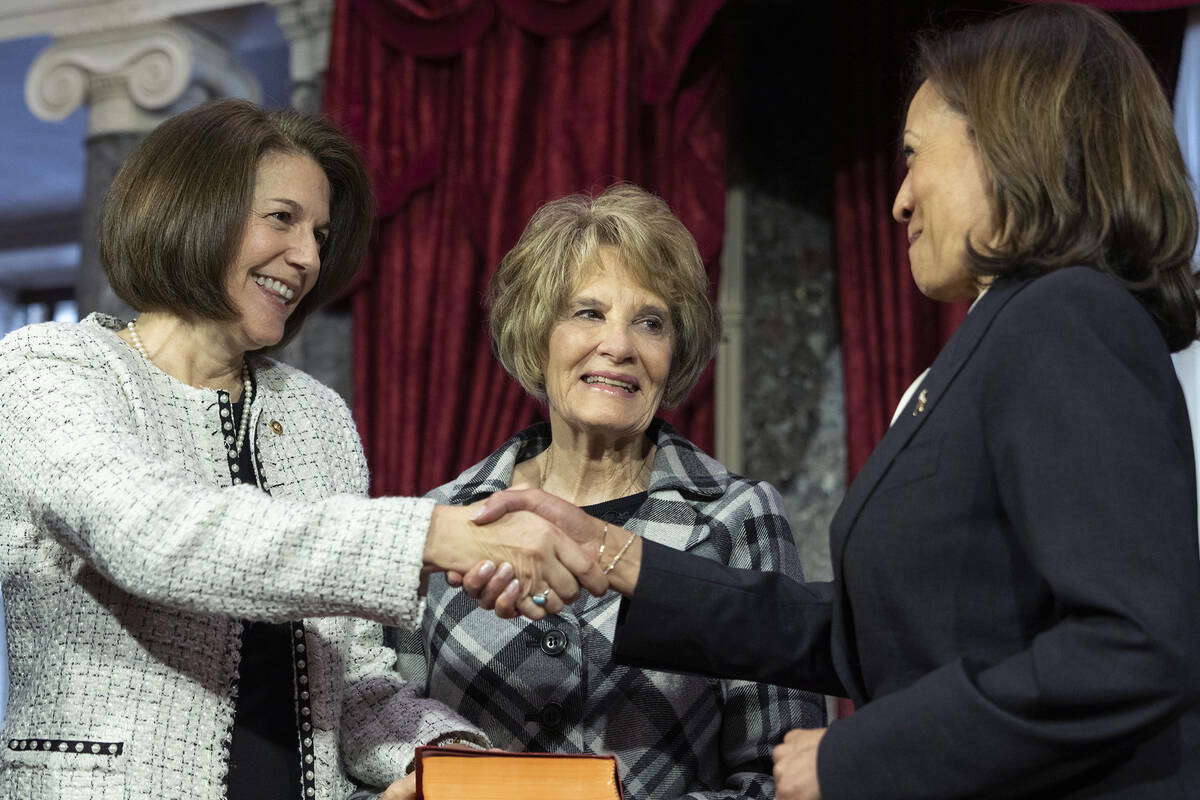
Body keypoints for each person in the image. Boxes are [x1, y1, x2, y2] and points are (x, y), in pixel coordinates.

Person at [465, 5, 1200, 798]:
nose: (900, 200)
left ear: (1010, 146)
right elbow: (862, 630)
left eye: (916, 156)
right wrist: (621, 559)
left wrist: (858, 757)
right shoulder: (1005, 337)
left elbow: (1133, 644)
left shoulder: (1065, 318)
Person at [0, 99, 605, 800]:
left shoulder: (316, 417)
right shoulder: (47, 370)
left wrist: (458, 767)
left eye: (319, 233)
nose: (309, 257)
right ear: (191, 207)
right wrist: (432, 536)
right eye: (281, 218)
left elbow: (353, 681)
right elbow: (154, 536)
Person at [387, 184, 825, 800]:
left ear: (675, 353)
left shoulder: (736, 517)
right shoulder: (443, 517)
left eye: (650, 323)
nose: (619, 347)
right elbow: (384, 739)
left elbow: (786, 779)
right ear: (538, 333)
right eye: (588, 313)